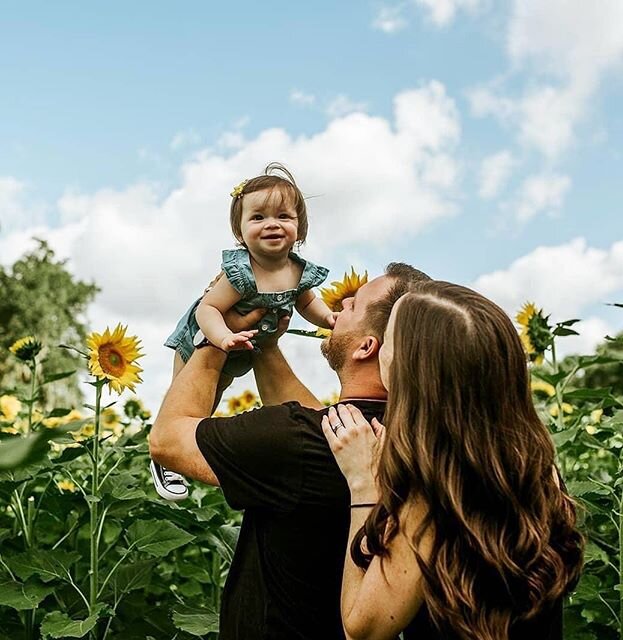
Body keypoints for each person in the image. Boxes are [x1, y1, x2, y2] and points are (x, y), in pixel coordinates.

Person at [149, 263, 432, 640]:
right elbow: (318, 422)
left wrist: (212, 337)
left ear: (368, 347)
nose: (344, 300)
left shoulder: (297, 442)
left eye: (356, 304)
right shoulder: (403, 437)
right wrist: (264, 343)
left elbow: (168, 440)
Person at [322, 281, 584, 640]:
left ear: (411, 371)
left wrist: (364, 485)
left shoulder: (429, 492)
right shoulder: (536, 467)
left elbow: (363, 630)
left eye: (391, 338)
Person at [151, 163, 336, 501]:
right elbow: (208, 308)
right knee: (189, 398)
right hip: (202, 339)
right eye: (258, 217)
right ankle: (165, 461)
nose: (272, 224)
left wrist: (330, 320)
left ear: (300, 227)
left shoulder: (298, 272)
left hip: (247, 344)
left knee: (215, 394)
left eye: (284, 215)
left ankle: (187, 444)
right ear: (239, 232)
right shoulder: (240, 272)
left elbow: (310, 305)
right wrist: (220, 339)